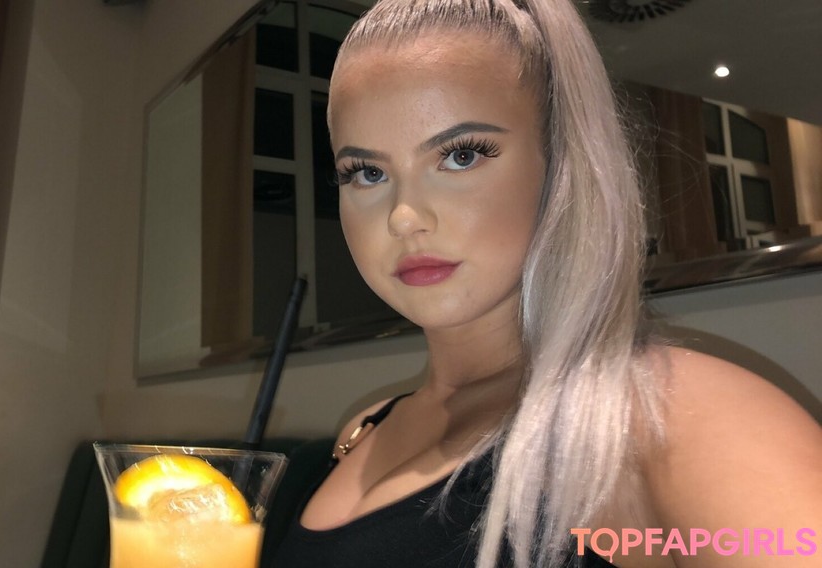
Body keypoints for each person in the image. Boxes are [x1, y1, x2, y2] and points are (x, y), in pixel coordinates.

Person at [268, 0, 822, 567]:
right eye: (367, 172)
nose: (404, 217)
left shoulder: (677, 417)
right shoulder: (363, 430)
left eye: (461, 156)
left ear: (561, 165)